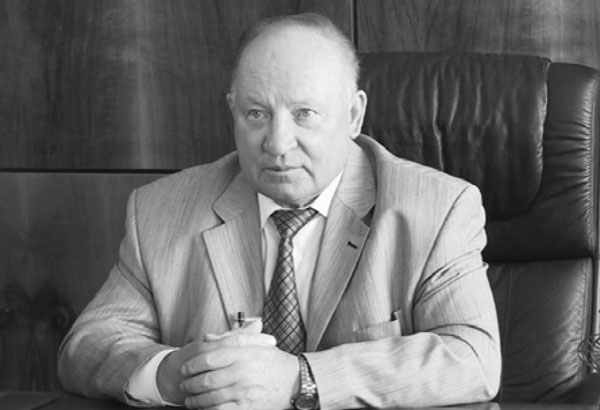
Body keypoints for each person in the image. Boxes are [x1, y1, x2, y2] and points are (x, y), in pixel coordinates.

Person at [58, 12, 501, 410]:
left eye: (304, 113)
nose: (277, 143)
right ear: (232, 111)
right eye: (256, 114)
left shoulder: (436, 209)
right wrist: (177, 375)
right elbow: (86, 346)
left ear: (354, 115)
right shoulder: (160, 210)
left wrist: (299, 379)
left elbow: (473, 357)